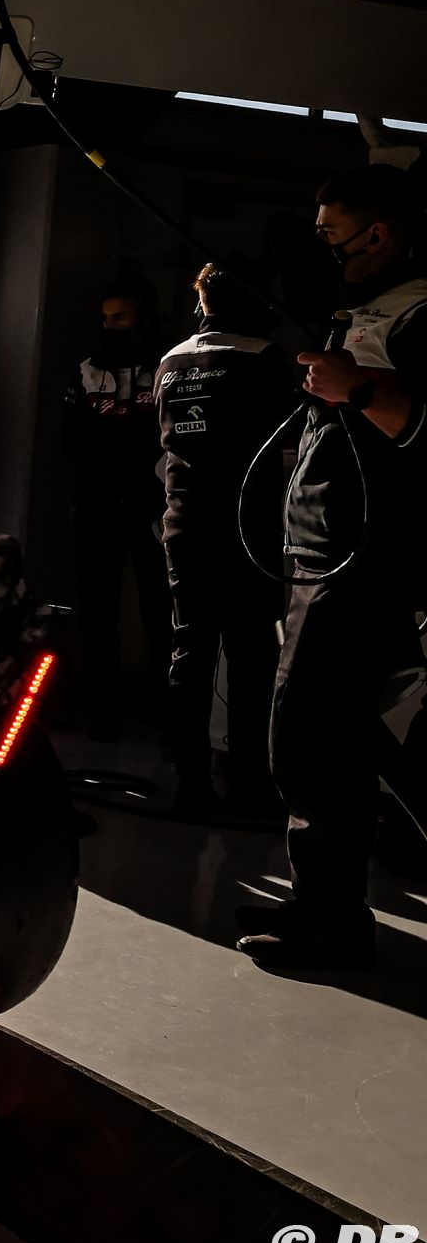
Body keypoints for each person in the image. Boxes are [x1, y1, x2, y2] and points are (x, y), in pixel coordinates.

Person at [237, 164, 427, 971]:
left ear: (377, 234)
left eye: (331, 235)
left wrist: (358, 391)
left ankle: (330, 924)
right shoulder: (361, 308)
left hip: (365, 562)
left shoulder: (419, 314)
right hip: (320, 553)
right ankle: (323, 907)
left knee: (311, 739)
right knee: (332, 738)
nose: (320, 249)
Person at [154, 264, 296, 818]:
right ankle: (251, 790)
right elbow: (292, 445)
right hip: (248, 528)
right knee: (252, 657)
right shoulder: (266, 359)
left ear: (202, 304)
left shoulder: (170, 362)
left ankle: (190, 788)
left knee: (189, 653)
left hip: (184, 524)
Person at [62, 282, 172, 741]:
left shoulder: (166, 367)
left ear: (141, 317)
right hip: (98, 505)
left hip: (152, 504)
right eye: (105, 318)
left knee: (160, 608)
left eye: (120, 317)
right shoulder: (86, 370)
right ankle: (103, 711)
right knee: (97, 609)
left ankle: (170, 713)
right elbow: (70, 439)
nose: (110, 326)